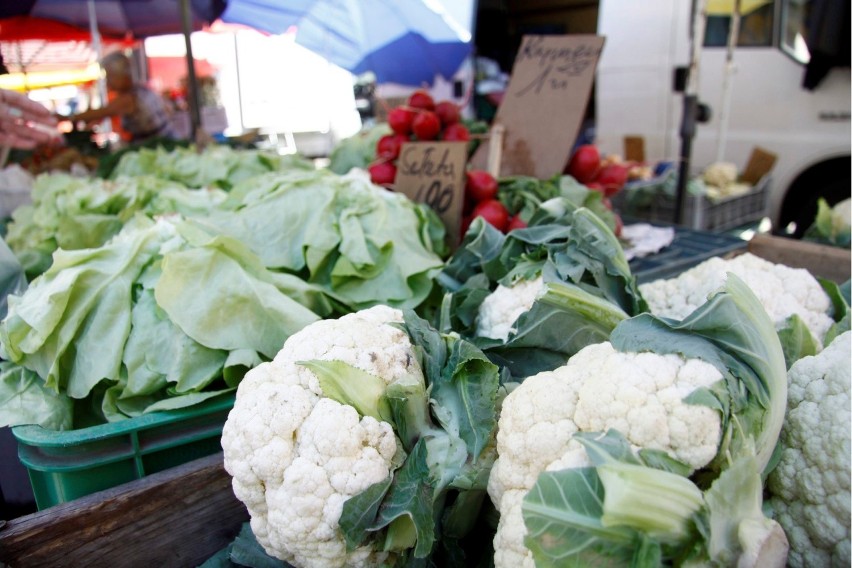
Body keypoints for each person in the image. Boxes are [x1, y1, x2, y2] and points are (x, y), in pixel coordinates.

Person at [66, 51, 178, 143]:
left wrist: (69, 118)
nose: (108, 82)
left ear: (122, 75)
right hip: (164, 140)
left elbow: (103, 112)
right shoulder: (141, 90)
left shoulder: (129, 98)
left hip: (157, 144)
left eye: (110, 76)